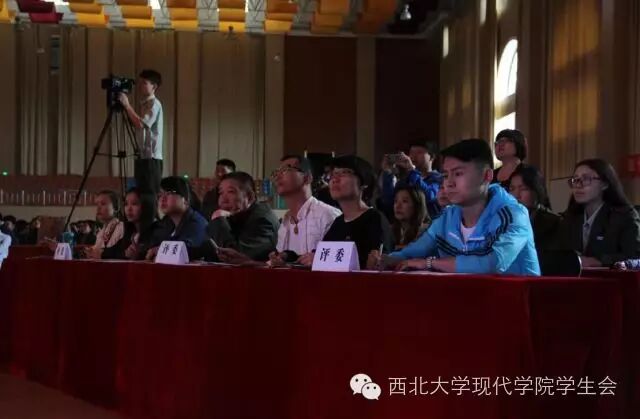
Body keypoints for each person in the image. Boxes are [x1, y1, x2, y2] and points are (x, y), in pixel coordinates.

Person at [368, 139, 540, 275]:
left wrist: (429, 263)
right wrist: (387, 259)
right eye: (445, 175)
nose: (448, 183)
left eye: (458, 173)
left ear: (487, 175)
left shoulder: (513, 214)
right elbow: (414, 251)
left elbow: (492, 263)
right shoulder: (448, 217)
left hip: (518, 304)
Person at [302, 155, 394, 269]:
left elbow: (379, 262)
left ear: (364, 182)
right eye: (333, 174)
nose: (335, 179)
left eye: (344, 173)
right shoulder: (338, 222)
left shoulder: (375, 219)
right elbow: (321, 253)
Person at [557, 158, 640, 267]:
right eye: (575, 179)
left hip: (612, 277)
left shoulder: (625, 217)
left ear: (605, 184)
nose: (578, 185)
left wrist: (598, 261)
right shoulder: (569, 218)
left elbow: (635, 258)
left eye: (586, 179)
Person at [268, 155, 341, 266]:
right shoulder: (285, 222)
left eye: (286, 169)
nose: (278, 176)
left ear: (307, 178)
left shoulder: (327, 215)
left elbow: (338, 261)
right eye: (276, 172)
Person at [204, 172, 280, 263]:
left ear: (250, 197)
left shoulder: (262, 220)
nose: (223, 200)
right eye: (221, 193)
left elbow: (234, 256)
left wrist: (218, 220)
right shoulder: (235, 216)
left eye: (231, 192)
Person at [119, 69, 164, 196]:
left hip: (151, 159)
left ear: (154, 86)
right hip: (142, 156)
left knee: (150, 195)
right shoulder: (144, 104)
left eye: (144, 83)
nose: (140, 86)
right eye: (140, 82)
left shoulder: (155, 104)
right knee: (141, 195)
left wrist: (127, 105)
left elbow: (140, 124)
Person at [146, 176, 208, 260]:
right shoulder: (166, 223)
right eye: (160, 195)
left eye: (169, 193)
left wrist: (160, 250)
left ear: (186, 200)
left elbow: (186, 250)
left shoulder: (196, 222)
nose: (162, 198)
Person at [380, 141, 443, 219]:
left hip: (430, 223)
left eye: (419, 152)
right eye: (411, 153)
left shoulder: (439, 179)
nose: (413, 156)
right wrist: (388, 172)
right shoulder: (406, 179)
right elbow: (389, 201)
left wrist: (411, 170)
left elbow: (429, 196)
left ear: (432, 157)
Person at [508, 164, 561, 251]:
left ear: (537, 190)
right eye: (512, 189)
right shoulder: (505, 221)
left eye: (523, 189)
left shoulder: (554, 224)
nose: (516, 195)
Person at [102, 188, 157, 260]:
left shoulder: (156, 232)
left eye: (134, 204)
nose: (129, 209)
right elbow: (111, 251)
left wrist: (138, 256)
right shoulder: (130, 233)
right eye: (126, 204)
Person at [392, 185, 429, 250]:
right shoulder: (391, 230)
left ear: (417, 205)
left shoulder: (427, 231)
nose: (398, 206)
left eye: (404, 201)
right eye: (395, 201)